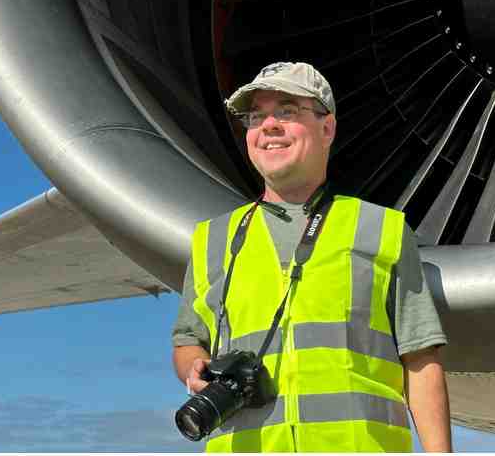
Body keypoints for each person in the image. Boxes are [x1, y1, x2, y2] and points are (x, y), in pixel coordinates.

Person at [172, 62, 451, 452]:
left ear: (327, 128)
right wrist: (194, 368)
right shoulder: (210, 241)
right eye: (256, 117)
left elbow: (421, 359)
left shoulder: (381, 230)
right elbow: (188, 340)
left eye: (287, 111)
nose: (269, 125)